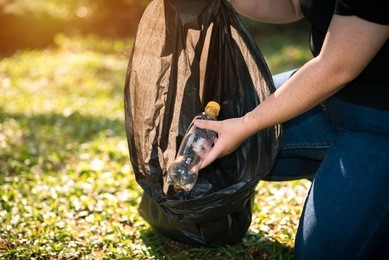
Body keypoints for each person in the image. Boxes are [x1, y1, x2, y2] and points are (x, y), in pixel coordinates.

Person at [194, 0, 389, 258]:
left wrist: (246, 125)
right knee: (212, 134)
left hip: (378, 122)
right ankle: (345, 174)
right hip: (324, 101)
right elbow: (293, 6)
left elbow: (337, 67)